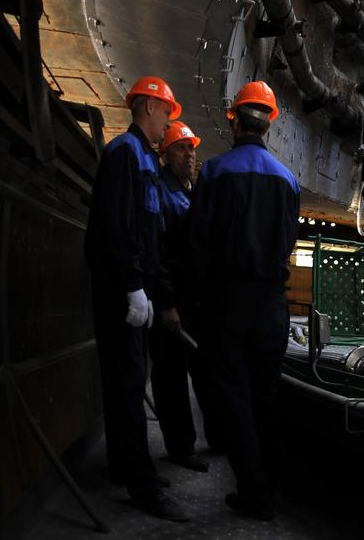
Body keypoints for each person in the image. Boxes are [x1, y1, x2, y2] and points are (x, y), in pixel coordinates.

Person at [189, 81, 299, 520]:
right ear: (270, 123)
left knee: (233, 398)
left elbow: (197, 245)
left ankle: (255, 492)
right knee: (264, 398)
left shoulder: (215, 173)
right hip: (272, 303)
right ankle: (270, 486)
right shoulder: (288, 179)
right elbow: (288, 242)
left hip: (228, 302)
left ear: (234, 120)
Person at [84, 75, 189, 522]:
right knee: (128, 388)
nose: (169, 121)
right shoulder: (125, 153)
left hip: (134, 292)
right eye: (166, 111)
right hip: (121, 294)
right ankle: (142, 486)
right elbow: (117, 225)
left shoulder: (142, 157)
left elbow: (144, 230)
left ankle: (125, 467)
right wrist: (131, 285)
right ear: (148, 106)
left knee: (126, 385)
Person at [149, 119, 221, 471]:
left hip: (195, 302)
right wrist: (167, 304)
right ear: (166, 155)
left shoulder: (192, 191)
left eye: (191, 148)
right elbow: (158, 253)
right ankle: (181, 447)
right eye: (181, 148)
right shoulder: (161, 193)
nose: (189, 154)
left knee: (205, 370)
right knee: (171, 376)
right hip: (173, 304)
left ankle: (217, 438)